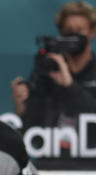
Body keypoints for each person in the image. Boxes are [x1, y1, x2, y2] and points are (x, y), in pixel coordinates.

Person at [11, 1, 96, 142]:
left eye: (79, 31)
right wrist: (21, 108)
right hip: (51, 155)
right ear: (61, 32)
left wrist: (69, 86)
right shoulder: (49, 68)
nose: (73, 36)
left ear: (92, 32)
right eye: (69, 31)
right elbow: (31, 129)